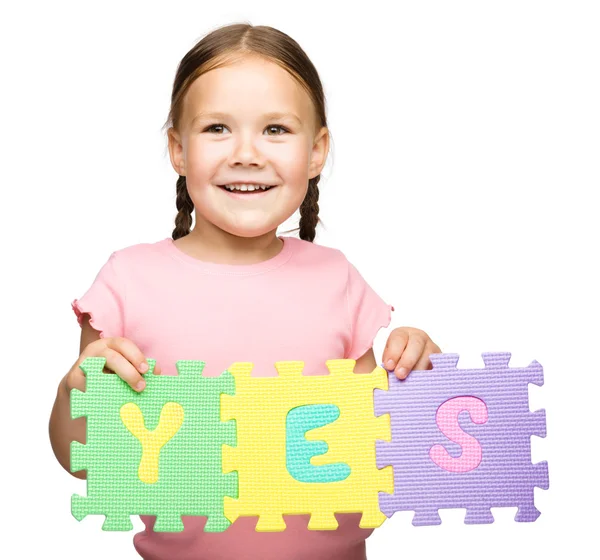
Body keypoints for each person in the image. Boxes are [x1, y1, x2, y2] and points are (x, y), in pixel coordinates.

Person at [49, 22, 441, 560]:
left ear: (317, 151)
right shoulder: (125, 283)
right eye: (216, 128)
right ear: (178, 150)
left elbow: (378, 445)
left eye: (276, 129)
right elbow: (84, 459)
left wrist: (421, 385)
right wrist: (74, 393)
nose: (246, 153)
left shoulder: (339, 279)